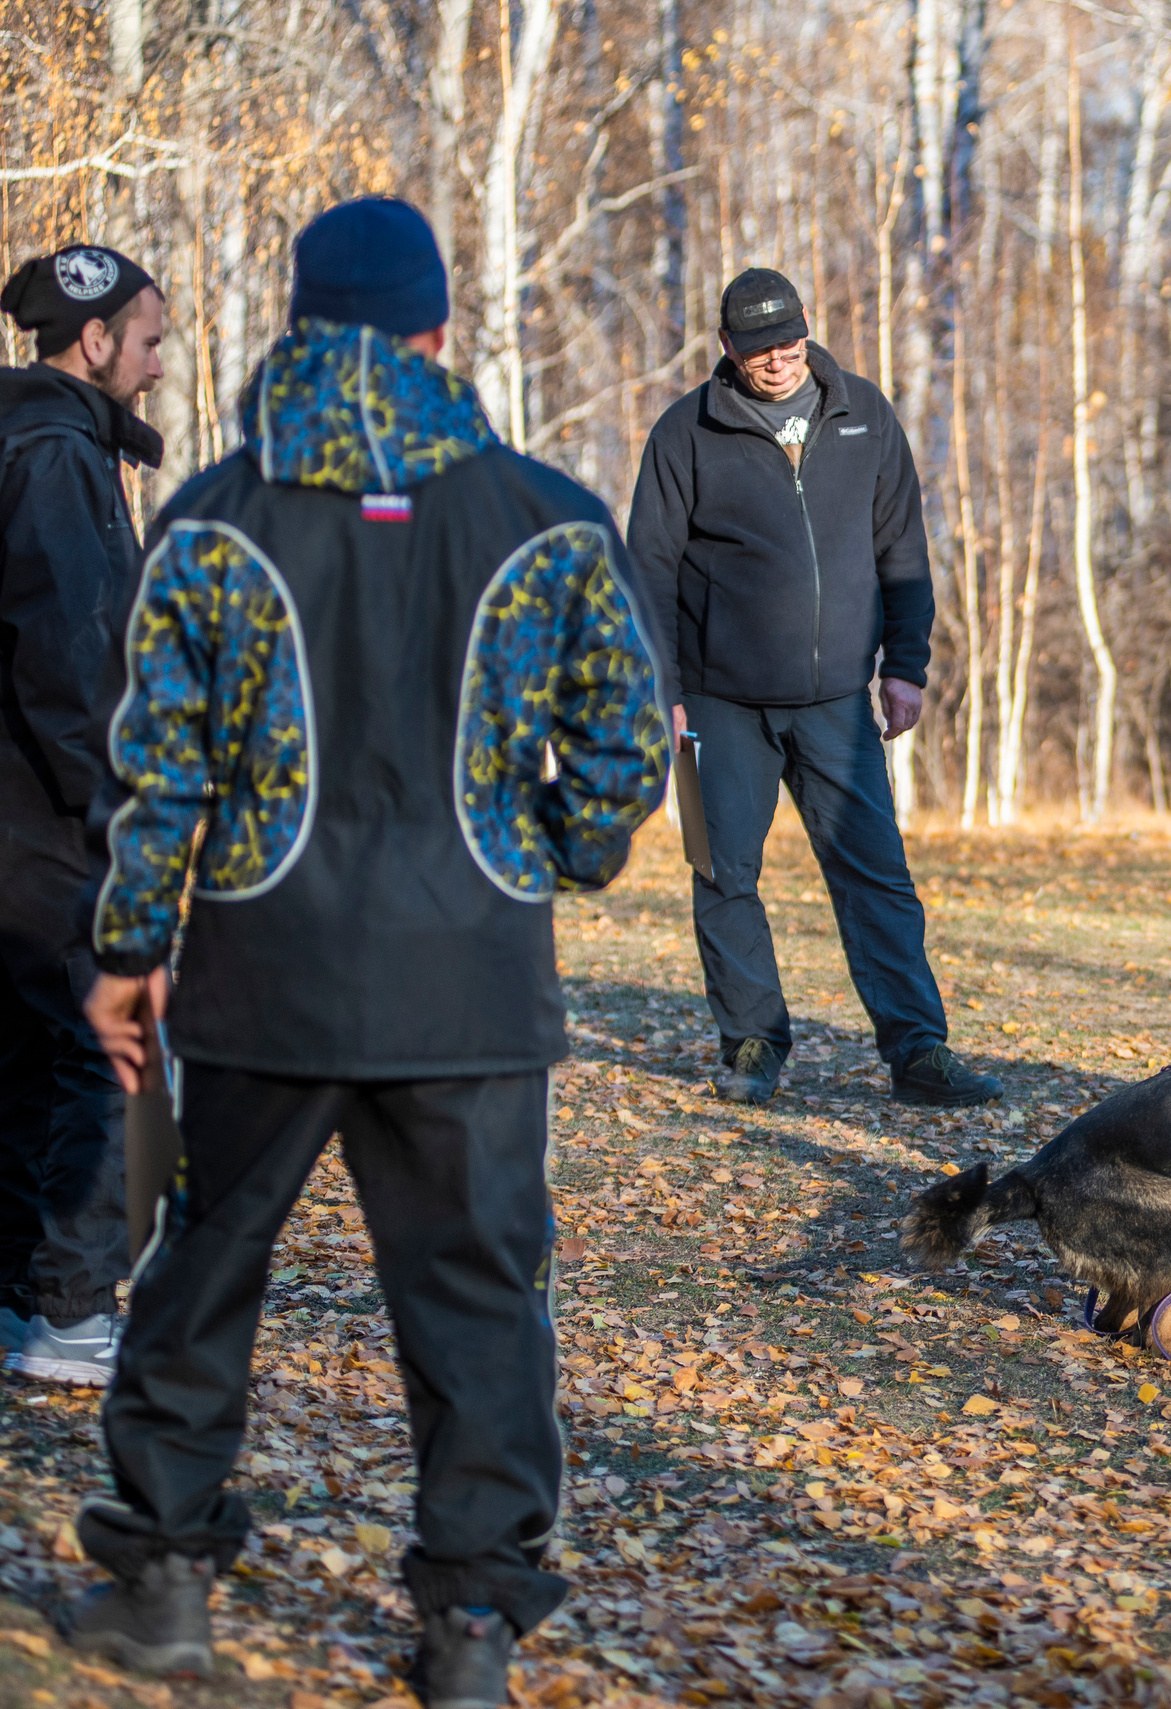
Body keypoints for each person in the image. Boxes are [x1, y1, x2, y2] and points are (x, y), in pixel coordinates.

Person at [70, 198, 667, 1705]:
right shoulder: (544, 515)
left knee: (201, 1275)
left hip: (267, 967)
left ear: (298, 324)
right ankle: (469, 1627)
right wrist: (548, 848)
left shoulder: (213, 515)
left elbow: (160, 766)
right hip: (470, 979)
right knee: (476, 1304)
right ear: (436, 331)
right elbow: (626, 742)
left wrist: (131, 946)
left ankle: (165, 1585)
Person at [627, 268, 1001, 1109]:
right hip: (713, 704)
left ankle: (919, 1051)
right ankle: (751, 1041)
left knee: (878, 874)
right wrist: (665, 693)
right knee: (717, 869)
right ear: (727, 348)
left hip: (838, 700)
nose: (779, 359)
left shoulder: (862, 413)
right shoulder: (684, 433)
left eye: (791, 341)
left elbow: (902, 550)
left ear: (808, 329)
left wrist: (905, 666)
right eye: (759, 348)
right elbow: (645, 572)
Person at [0, 244, 165, 1387]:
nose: (158, 365)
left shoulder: (45, 443)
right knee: (107, 1042)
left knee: (25, 1052)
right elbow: (66, 655)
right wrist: (115, 813)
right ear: (94, 340)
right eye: (149, 339)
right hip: (55, 817)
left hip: (27, 814)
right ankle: (65, 1310)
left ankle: (24, 1297)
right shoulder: (54, 459)